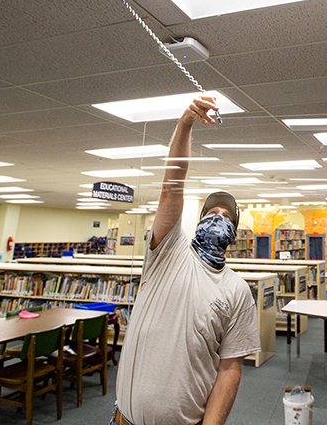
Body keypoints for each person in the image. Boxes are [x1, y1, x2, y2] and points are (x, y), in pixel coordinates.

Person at [113, 95, 261, 425]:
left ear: (234, 232)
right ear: (198, 220)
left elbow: (230, 368)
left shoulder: (237, 291)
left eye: (226, 217)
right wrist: (185, 124)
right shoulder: (167, 253)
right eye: (210, 213)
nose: (217, 219)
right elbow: (172, 188)